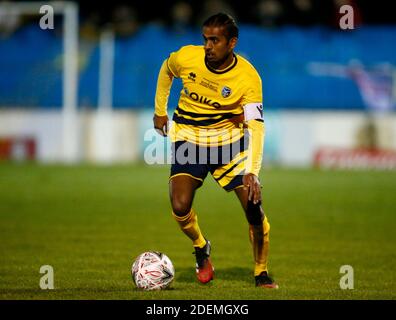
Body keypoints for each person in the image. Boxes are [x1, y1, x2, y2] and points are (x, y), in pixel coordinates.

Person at [153, 13, 278, 288]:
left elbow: (256, 126)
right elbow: (166, 69)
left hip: (229, 146)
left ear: (231, 43)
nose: (208, 46)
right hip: (189, 140)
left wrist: (252, 172)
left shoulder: (247, 77)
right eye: (205, 39)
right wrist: (160, 111)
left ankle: (261, 271)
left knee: (254, 210)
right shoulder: (187, 57)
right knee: (180, 205)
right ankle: (200, 246)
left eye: (215, 40)